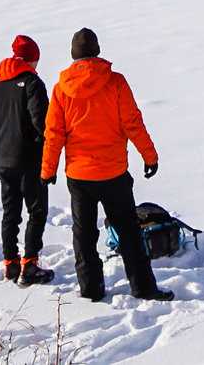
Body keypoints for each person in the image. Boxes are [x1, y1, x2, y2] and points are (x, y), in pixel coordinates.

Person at [40, 28, 172, 303]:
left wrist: (48, 170)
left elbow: (54, 133)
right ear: (97, 52)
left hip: (79, 175)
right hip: (113, 173)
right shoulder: (116, 82)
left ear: (73, 55)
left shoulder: (61, 88)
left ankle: (90, 290)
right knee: (128, 233)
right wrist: (150, 156)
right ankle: (144, 288)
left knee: (84, 235)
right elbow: (132, 122)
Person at [0, 34, 54, 286]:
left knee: (11, 214)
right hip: (30, 162)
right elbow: (42, 123)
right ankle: (30, 265)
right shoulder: (33, 83)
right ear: (33, 59)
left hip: (3, 163)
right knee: (37, 211)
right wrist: (46, 151)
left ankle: (10, 264)